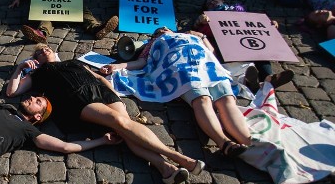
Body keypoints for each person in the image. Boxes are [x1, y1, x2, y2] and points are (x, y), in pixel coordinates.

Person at [7, 45, 204, 184]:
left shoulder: (73, 61)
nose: (44, 51)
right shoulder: (38, 75)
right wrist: (19, 68)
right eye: (39, 52)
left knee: (125, 128)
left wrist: (113, 93)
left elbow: (98, 77)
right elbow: (12, 92)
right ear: (36, 59)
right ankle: (179, 158)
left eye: (46, 48)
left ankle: (165, 168)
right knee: (119, 122)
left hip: (102, 92)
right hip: (78, 99)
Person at [99, 27, 252, 158]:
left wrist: (201, 35)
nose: (162, 30)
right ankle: (224, 143)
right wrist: (118, 66)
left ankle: (249, 143)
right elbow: (142, 63)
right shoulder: (151, 44)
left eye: (164, 29)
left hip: (209, 66)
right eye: (158, 32)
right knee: (202, 100)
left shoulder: (190, 36)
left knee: (226, 100)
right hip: (183, 69)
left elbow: (210, 51)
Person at [190, 0, 294, 93]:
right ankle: (249, 82)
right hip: (226, 48)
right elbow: (194, 32)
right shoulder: (206, 18)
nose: (212, 2)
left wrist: (270, 25)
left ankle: (268, 79)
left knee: (260, 53)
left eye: (214, 0)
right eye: (209, 3)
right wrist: (200, 20)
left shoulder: (239, 12)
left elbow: (255, 25)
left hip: (245, 44)